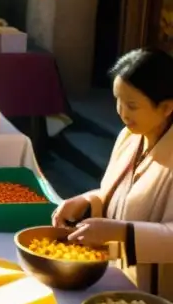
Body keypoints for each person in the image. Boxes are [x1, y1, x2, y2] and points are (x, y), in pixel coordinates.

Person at [55, 49, 173, 281]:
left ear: (167, 108)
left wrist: (119, 232)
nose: (121, 112)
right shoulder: (129, 137)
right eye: (117, 100)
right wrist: (87, 201)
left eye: (132, 105)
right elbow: (121, 193)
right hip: (116, 274)